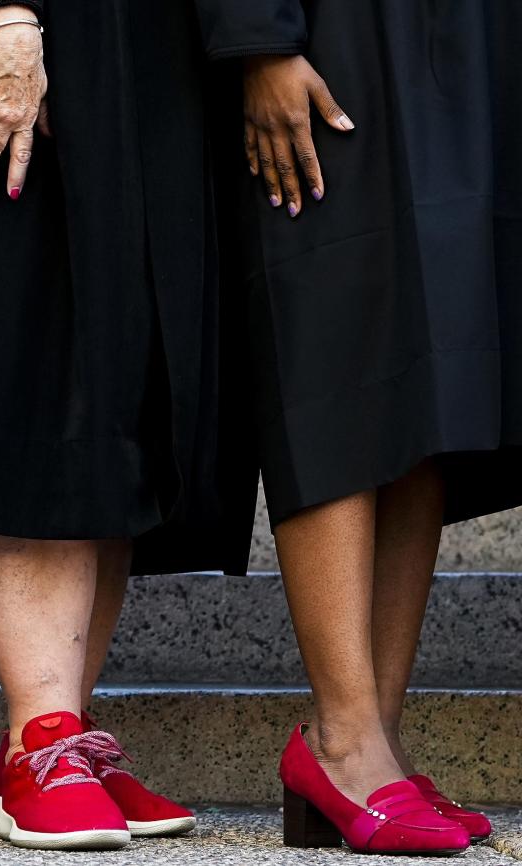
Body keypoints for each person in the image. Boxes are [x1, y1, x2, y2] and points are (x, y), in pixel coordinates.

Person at [0, 0, 255, 851]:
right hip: (13, 36)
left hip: (145, 51)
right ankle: (42, 734)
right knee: (24, 358)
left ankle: (51, 736)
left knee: (116, 378)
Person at [202, 0, 520, 855]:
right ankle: (342, 741)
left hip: (472, 44)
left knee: (428, 386)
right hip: (332, 36)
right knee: (336, 355)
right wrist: (260, 38)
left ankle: (376, 732)